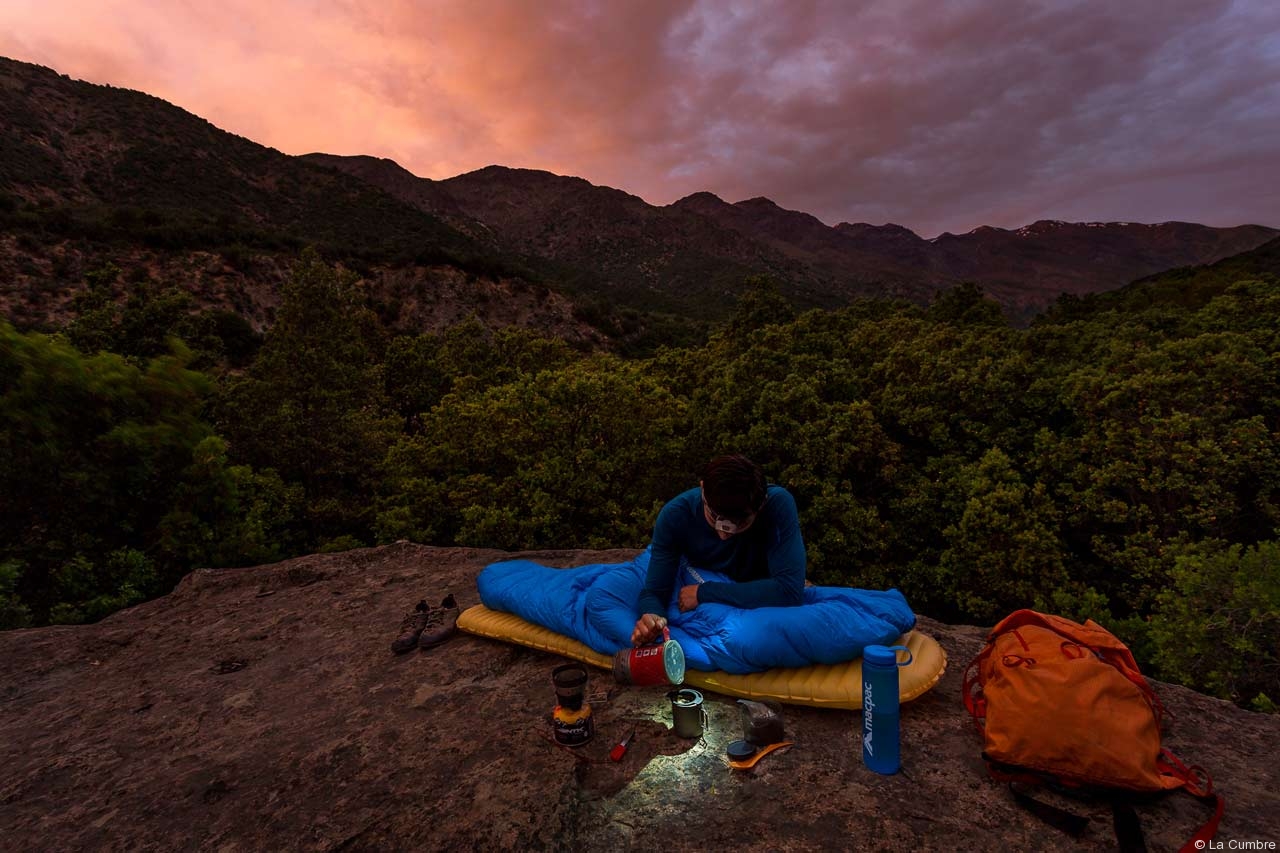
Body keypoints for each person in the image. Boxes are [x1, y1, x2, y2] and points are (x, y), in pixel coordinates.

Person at [630, 454, 806, 646]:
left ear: (761, 504)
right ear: (703, 489)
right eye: (715, 517)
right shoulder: (677, 516)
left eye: (739, 524)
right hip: (704, 583)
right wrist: (651, 617)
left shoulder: (777, 505)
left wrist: (704, 592)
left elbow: (789, 590)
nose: (724, 533)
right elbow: (655, 592)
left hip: (746, 596)